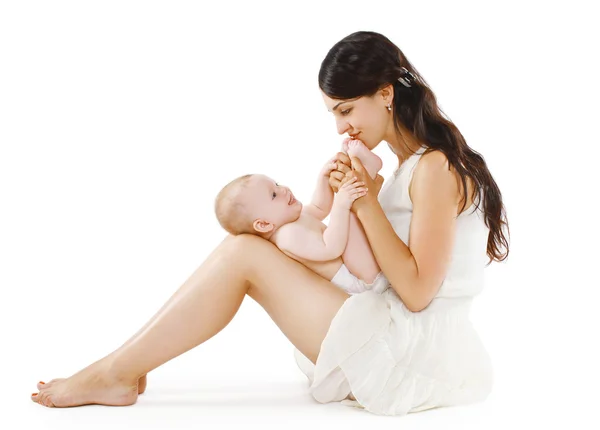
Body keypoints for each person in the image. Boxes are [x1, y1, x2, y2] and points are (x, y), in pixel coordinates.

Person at [30, 30, 509, 416]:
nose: (342, 127)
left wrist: (361, 202)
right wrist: (341, 200)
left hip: (409, 352)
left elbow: (419, 292)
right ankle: (124, 366)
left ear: (385, 94)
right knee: (261, 241)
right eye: (334, 114)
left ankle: (115, 372)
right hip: (386, 325)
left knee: (244, 252)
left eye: (346, 110)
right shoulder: (407, 168)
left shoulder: (436, 169)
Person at [213, 139, 388, 295]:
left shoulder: (291, 219)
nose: (283, 189)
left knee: (349, 205)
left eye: (277, 184)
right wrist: (341, 204)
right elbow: (331, 249)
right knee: (348, 210)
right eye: (273, 195)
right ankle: (369, 171)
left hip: (358, 264)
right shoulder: (287, 237)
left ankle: (365, 169)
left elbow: (319, 208)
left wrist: (323, 176)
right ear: (264, 224)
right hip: (360, 279)